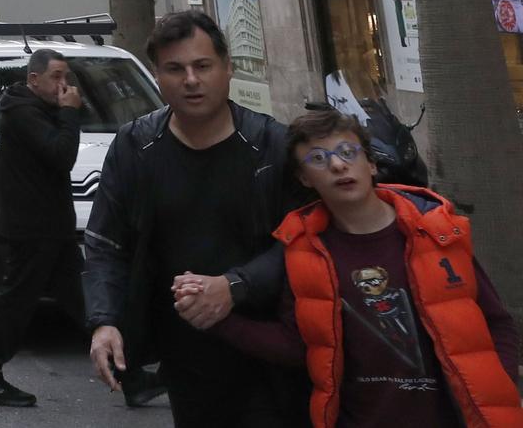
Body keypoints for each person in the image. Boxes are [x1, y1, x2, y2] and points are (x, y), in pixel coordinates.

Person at [212, 108, 521, 427]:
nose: (337, 164)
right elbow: (299, 345)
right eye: (318, 159)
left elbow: (497, 323)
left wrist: (499, 390)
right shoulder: (305, 253)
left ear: (371, 163)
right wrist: (220, 320)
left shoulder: (435, 232)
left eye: (348, 152)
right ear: (304, 178)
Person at [84, 10, 298, 424]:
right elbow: (106, 244)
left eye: (203, 66)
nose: (191, 80)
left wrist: (234, 286)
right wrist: (104, 322)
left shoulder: (272, 146)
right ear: (157, 76)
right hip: (183, 358)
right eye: (175, 69)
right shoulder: (135, 145)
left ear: (228, 68)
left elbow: (303, 243)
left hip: (272, 349)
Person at [0, 47, 86, 407]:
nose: (63, 85)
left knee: (83, 299)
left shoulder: (38, 109)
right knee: (15, 303)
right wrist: (70, 114)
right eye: (56, 77)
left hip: (52, 227)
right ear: (33, 80)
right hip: (32, 230)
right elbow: (61, 156)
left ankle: (126, 371)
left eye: (66, 77)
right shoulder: (23, 112)